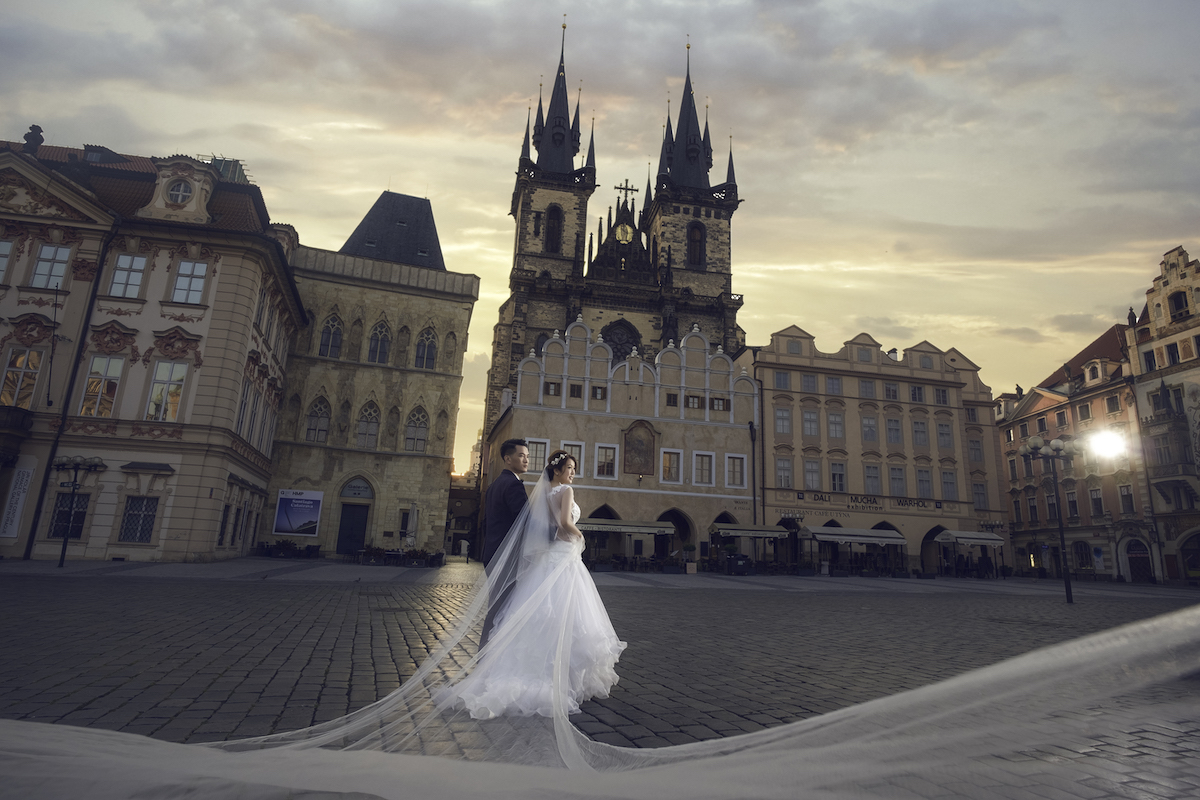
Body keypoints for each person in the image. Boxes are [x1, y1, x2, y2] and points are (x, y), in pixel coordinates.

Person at [443, 449, 626, 720]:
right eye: (570, 468)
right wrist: (581, 534)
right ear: (557, 470)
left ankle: (527, 669)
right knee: (566, 614)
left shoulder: (542, 493)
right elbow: (564, 523)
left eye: (574, 469)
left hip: (547, 559)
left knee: (539, 613)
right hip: (563, 557)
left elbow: (543, 525)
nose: (573, 473)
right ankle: (560, 675)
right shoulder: (565, 492)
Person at [479, 438, 529, 648]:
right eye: (521, 455)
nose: (526, 460)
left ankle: (488, 652)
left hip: (492, 554)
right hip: (507, 557)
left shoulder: (494, 486)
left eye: (527, 455)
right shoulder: (513, 485)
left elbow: (486, 523)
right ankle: (488, 655)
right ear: (508, 459)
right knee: (503, 607)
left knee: (498, 605)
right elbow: (527, 521)